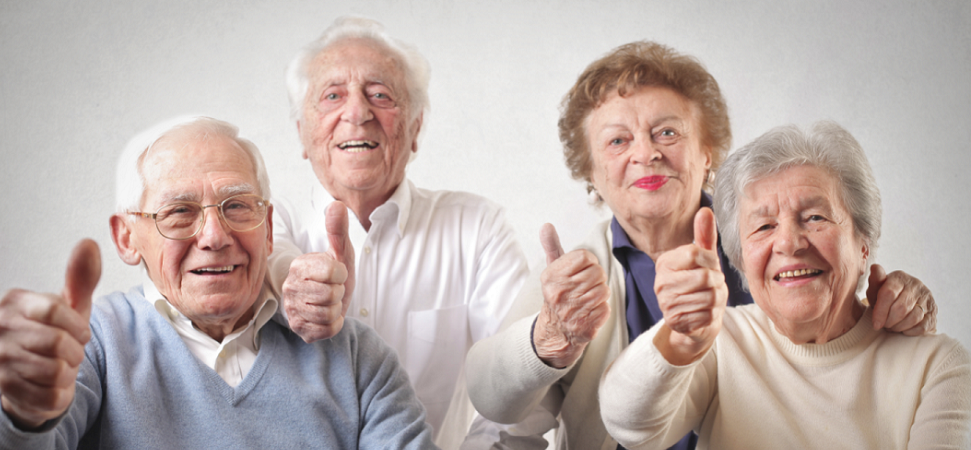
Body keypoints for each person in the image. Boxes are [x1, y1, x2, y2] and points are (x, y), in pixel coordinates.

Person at [464, 41, 939, 450]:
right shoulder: (574, 281)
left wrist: (898, 305)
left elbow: (842, 355)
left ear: (707, 152)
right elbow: (496, 407)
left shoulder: (771, 248)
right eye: (617, 141)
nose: (645, 153)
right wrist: (549, 336)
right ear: (591, 172)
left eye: (667, 132)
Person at [0, 116, 436, 449]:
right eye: (179, 213)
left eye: (237, 206)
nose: (215, 237)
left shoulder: (356, 358)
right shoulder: (90, 343)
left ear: (269, 228)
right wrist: (19, 412)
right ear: (126, 237)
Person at [599, 121, 971, 448]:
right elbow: (631, 428)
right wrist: (680, 340)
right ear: (741, 259)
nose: (789, 243)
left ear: (863, 245)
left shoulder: (936, 366)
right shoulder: (722, 341)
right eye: (764, 226)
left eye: (814, 217)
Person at [269, 17, 529, 447]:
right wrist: (292, 282)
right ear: (302, 133)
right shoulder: (266, 221)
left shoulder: (477, 227)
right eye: (332, 95)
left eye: (380, 95)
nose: (356, 112)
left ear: (415, 128)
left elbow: (515, 383)